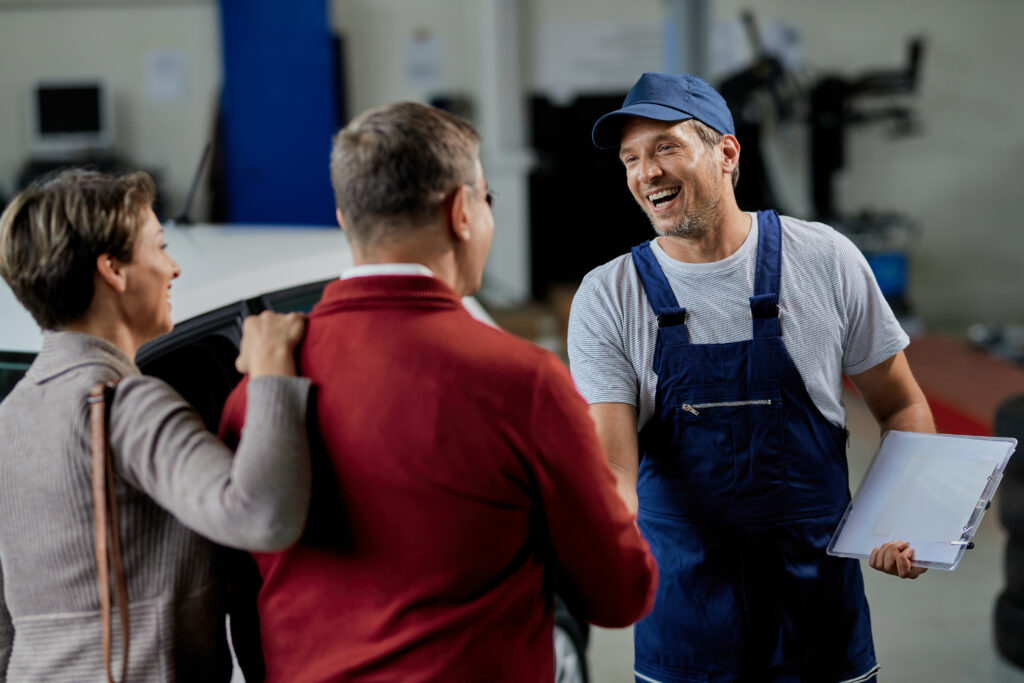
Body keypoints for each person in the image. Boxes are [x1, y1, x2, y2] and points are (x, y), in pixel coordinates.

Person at [219, 101, 658, 682]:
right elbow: (620, 594)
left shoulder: (255, 394)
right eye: (488, 200)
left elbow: (234, 608)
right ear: (462, 213)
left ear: (346, 220)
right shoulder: (522, 383)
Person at [567, 72, 936, 683]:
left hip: (822, 622)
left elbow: (900, 405)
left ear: (727, 153)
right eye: (631, 158)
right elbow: (612, 466)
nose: (645, 172)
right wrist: (586, 534)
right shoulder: (609, 295)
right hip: (685, 627)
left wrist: (905, 518)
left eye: (665, 147)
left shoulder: (825, 260)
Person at [0, 169, 312, 682]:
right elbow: (263, 516)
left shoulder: (11, 415)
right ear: (113, 271)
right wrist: (273, 369)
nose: (173, 267)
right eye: (160, 245)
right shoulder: (125, 403)